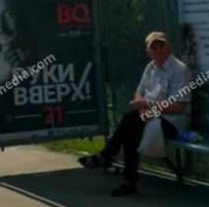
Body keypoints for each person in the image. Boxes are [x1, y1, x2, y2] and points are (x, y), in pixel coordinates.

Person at [77, 31, 191, 196]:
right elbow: (139, 92)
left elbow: (178, 106)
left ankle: (109, 158)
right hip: (149, 117)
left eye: (161, 46)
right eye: (154, 47)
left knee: (131, 122)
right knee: (132, 127)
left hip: (172, 121)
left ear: (168, 46)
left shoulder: (180, 70)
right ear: (148, 51)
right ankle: (125, 178)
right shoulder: (150, 67)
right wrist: (143, 106)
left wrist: (147, 104)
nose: (159, 50)